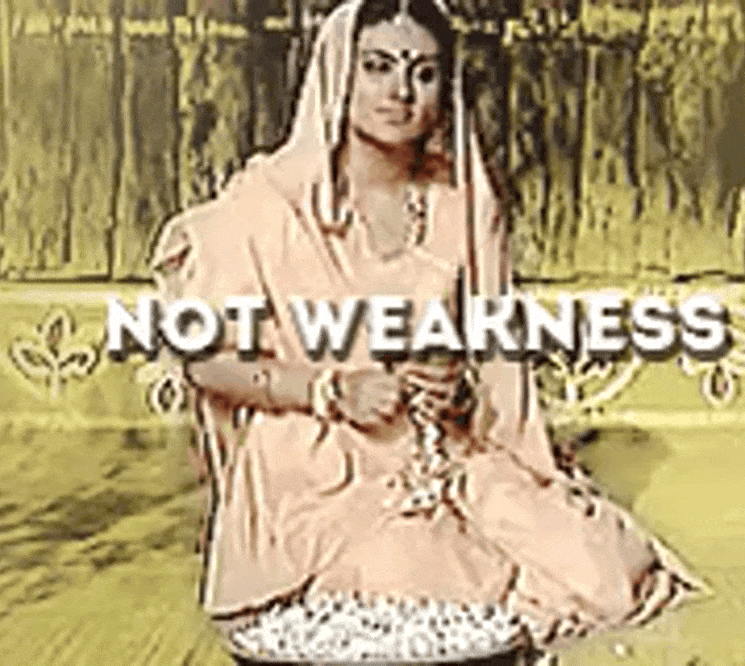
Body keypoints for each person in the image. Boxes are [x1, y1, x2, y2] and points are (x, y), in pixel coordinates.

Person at [150, 0, 706, 662]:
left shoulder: (462, 203)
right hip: (316, 457)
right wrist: (331, 389)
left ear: (446, 88)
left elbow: (493, 352)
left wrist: (458, 388)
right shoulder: (266, 203)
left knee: (607, 572)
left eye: (424, 72)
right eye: (377, 67)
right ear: (338, 74)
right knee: (433, 585)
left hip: (441, 447)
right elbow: (206, 362)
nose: (401, 92)